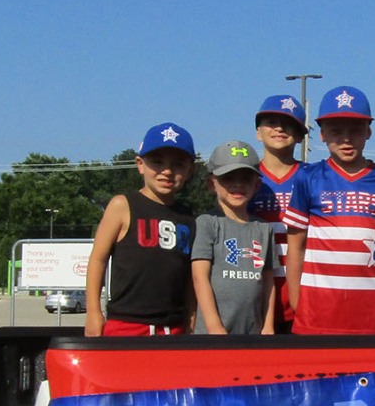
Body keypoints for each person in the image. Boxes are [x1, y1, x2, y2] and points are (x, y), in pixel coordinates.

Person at [282, 87, 375, 335]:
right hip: (317, 311)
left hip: (370, 313)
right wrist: (297, 300)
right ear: (322, 134)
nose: (346, 139)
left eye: (356, 130)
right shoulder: (309, 177)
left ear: (369, 131)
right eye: (336, 131)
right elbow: (296, 245)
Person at [84, 124, 197, 336]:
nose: (167, 171)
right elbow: (97, 259)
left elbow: (189, 276)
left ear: (190, 169)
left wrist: (191, 315)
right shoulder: (122, 205)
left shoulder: (188, 217)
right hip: (126, 324)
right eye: (157, 162)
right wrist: (93, 311)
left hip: (174, 327)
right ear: (140, 164)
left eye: (178, 164)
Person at [191, 141, 278, 335]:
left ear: (256, 185)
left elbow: (268, 283)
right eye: (228, 177)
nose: (237, 184)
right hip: (214, 335)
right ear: (211, 183)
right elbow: (200, 277)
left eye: (245, 178)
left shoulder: (264, 229)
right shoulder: (207, 223)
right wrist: (215, 327)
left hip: (253, 333)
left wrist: (268, 325)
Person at [249, 94, 307, 332]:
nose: (280, 128)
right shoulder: (242, 179)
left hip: (304, 298)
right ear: (258, 132)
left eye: (289, 124)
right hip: (255, 299)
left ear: (301, 135)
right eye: (271, 122)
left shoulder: (313, 177)